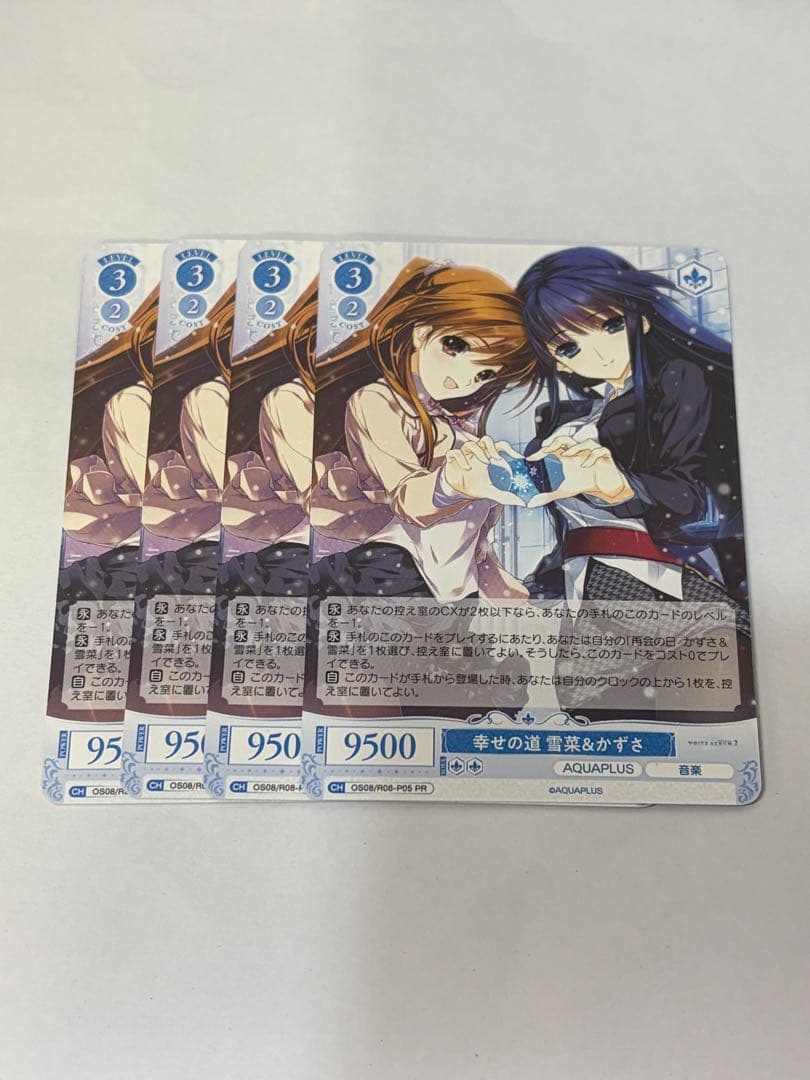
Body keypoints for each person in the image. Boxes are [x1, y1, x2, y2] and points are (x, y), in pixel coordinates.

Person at [516, 246, 748, 628]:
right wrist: (540, 584)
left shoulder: (677, 380)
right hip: (589, 587)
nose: (600, 352)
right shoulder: (568, 422)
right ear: (556, 359)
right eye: (570, 346)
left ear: (641, 319)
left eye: (610, 324)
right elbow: (577, 527)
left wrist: (621, 487)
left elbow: (689, 500)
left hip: (663, 579)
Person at [310, 258, 538, 601]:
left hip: (457, 591)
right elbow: (409, 499)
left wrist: (493, 575)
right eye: (456, 346)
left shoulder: (461, 431)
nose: (462, 379)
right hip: (394, 571)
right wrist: (453, 483)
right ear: (421, 332)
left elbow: (475, 530)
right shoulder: (378, 401)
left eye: (484, 374)